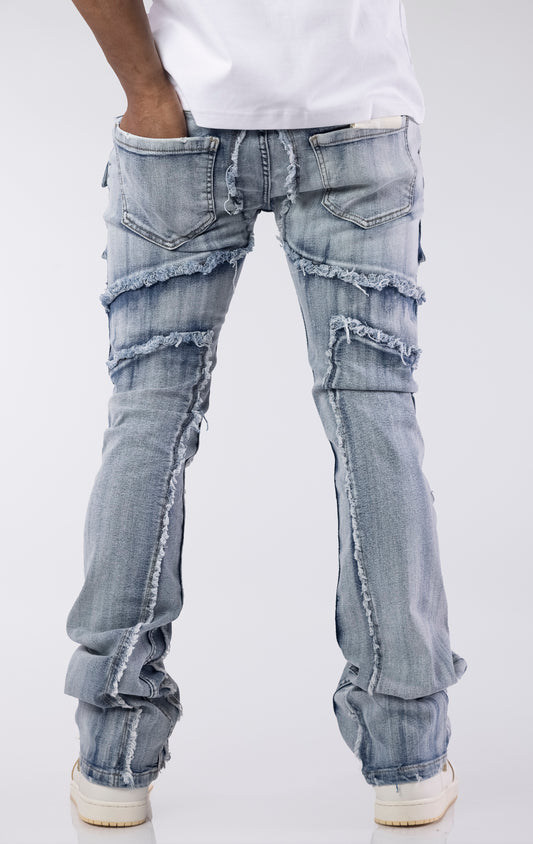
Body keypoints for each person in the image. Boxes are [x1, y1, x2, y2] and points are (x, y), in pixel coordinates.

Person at [64, 0, 468, 829]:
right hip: (355, 117)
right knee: (374, 419)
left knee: (149, 415)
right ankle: (407, 759)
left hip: (183, 118)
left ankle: (114, 758)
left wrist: (148, 90)